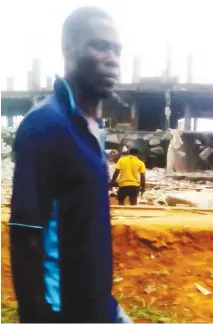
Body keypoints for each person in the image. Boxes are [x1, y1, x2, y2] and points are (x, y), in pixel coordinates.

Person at [9, 6, 132, 323]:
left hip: (99, 306)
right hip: (64, 313)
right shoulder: (46, 125)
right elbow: (25, 235)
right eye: (99, 46)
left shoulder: (92, 127)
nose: (112, 58)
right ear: (68, 49)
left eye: (116, 49)